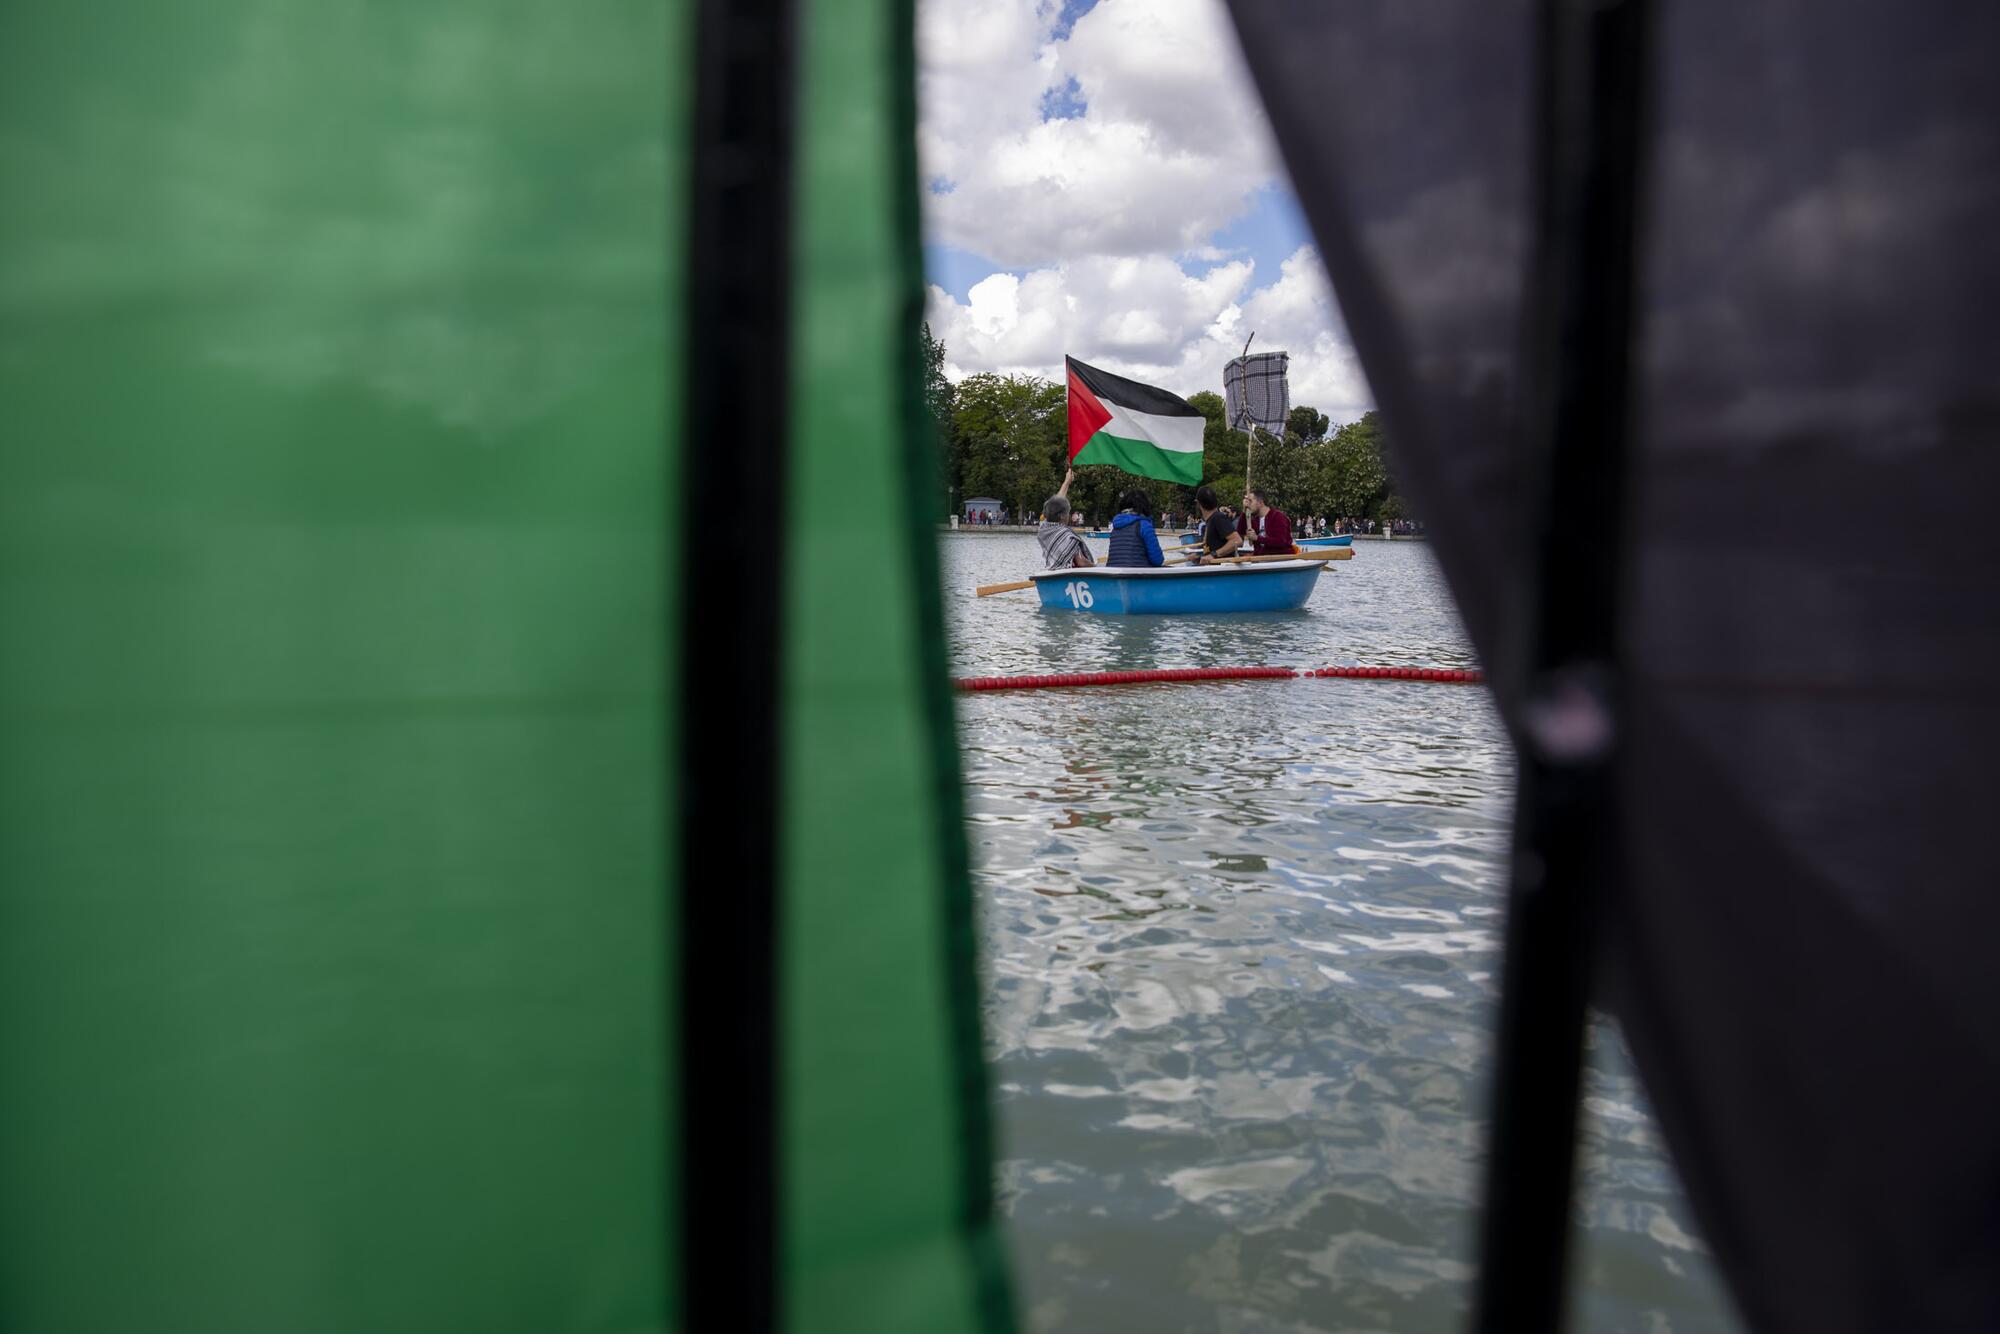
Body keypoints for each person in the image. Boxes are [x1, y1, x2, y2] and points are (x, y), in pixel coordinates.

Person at [1037, 469, 1095, 570]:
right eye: (1068, 512)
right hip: (1067, 577)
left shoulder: (1043, 530)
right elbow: (1081, 562)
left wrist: (1067, 482)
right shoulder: (1066, 535)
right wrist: (1096, 567)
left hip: (1051, 572)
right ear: (1062, 516)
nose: (1069, 515)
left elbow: (1054, 504)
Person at [1105, 488, 1165, 567]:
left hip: (1113, 573)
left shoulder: (1115, 526)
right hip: (1136, 575)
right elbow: (1158, 560)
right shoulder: (1144, 525)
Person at [1192, 484, 1243, 564]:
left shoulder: (1218, 518)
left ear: (1198, 503)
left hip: (1222, 571)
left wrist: (1214, 554)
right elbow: (1209, 548)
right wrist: (1198, 555)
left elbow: (1237, 540)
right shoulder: (1210, 521)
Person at [1236, 488, 1294, 555]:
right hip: (1261, 558)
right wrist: (1244, 510)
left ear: (1260, 502)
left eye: (1250, 501)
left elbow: (1281, 542)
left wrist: (1257, 538)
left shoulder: (1278, 516)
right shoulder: (1255, 520)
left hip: (1279, 558)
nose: (1248, 504)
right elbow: (1240, 531)